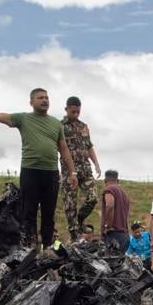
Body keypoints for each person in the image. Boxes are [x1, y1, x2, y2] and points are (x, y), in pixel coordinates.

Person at [0, 88, 76, 248]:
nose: (45, 100)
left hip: (51, 173)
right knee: (29, 212)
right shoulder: (23, 118)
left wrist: (72, 171)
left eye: (47, 97)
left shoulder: (55, 123)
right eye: (40, 98)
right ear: (31, 102)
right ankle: (28, 246)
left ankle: (47, 247)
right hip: (30, 171)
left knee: (49, 213)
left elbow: (64, 148)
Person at [59, 96, 101, 241]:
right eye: (73, 112)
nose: (76, 115)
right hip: (69, 171)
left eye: (78, 112)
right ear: (66, 109)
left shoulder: (83, 126)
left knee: (93, 198)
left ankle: (79, 220)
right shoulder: (60, 126)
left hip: (86, 169)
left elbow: (89, 146)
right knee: (70, 205)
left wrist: (96, 163)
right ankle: (74, 237)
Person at [99, 169, 130, 253]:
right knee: (118, 264)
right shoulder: (124, 193)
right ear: (118, 180)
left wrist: (108, 226)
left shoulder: (109, 189)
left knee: (108, 264)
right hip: (124, 235)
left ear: (105, 180)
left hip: (113, 235)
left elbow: (109, 205)